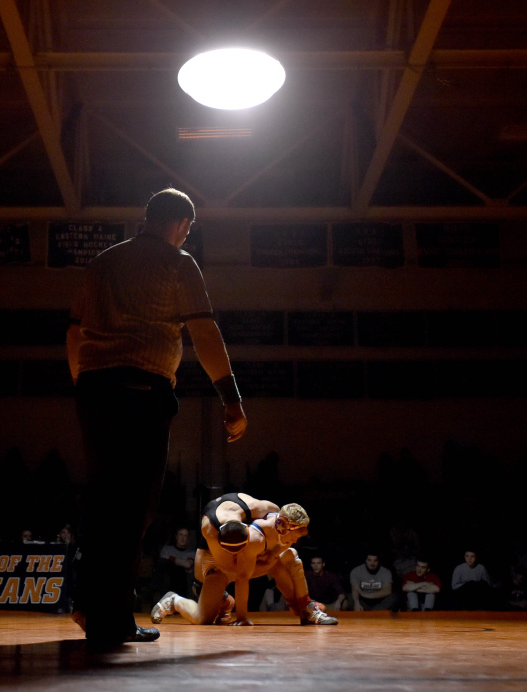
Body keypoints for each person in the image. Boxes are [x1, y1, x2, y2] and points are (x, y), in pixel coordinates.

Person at [66, 187, 247, 649]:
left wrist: (84, 387)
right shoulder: (178, 262)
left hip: (95, 392)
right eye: (187, 229)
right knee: (134, 509)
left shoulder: (102, 262)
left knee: (106, 502)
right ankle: (111, 621)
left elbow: (74, 332)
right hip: (142, 392)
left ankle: (92, 606)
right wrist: (231, 398)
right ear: (182, 224)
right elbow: (204, 332)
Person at [151, 497, 336, 626]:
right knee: (202, 618)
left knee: (290, 556)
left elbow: (273, 548)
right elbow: (240, 575)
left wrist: (273, 553)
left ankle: (305, 608)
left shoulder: (267, 510)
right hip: (217, 564)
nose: (294, 540)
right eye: (293, 536)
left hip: (242, 553)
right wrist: (241, 616)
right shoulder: (215, 531)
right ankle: (175, 601)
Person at [156, 527, 197, 598]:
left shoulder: (191, 553)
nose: (183, 538)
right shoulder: (167, 549)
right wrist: (180, 563)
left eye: (185, 535)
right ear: (176, 536)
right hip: (168, 586)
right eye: (181, 535)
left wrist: (170, 558)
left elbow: (187, 564)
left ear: (188, 539)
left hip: (184, 588)